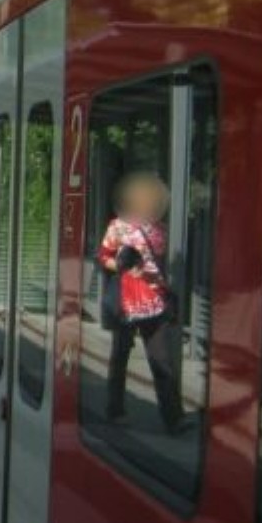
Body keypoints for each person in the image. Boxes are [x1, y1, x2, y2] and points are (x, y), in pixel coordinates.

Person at [98, 172, 185, 434]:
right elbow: (103, 256)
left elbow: (163, 263)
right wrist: (121, 266)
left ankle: (173, 418)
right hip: (126, 300)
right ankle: (115, 410)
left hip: (153, 300)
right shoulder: (117, 227)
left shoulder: (161, 229)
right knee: (120, 356)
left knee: (161, 360)